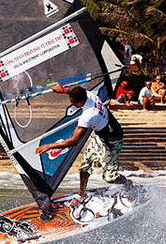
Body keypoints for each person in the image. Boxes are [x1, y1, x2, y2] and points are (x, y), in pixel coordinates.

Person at [34, 85, 131, 216]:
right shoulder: (89, 95)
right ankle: (82, 194)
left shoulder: (88, 115)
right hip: (101, 134)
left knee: (109, 177)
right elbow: (77, 91)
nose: (71, 103)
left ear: (79, 101)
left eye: (72, 101)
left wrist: (48, 146)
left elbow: (74, 141)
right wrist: (63, 90)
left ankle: (129, 184)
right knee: (84, 168)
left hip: (113, 140)